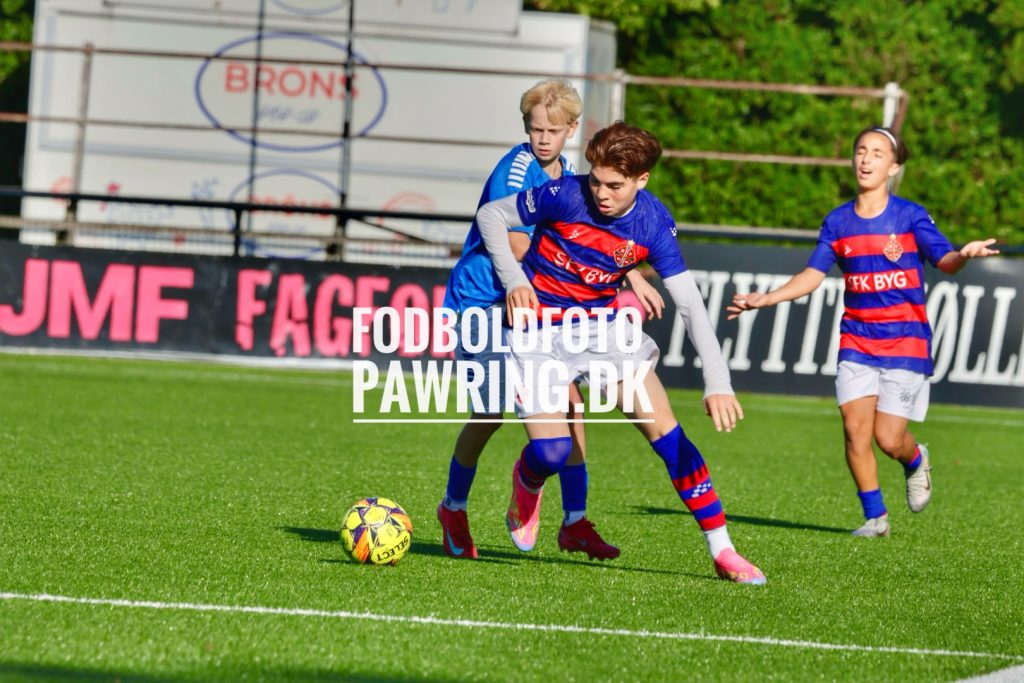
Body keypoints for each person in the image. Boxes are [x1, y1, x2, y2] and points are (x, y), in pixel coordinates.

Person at [475, 121, 766, 584]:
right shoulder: (565, 194)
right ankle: (527, 479)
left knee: (669, 436)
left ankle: (723, 549)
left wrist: (718, 381)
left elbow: (689, 304)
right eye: (596, 181)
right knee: (552, 452)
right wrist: (514, 281)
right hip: (536, 332)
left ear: (641, 180)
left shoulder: (653, 223)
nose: (601, 194)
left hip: (602, 332)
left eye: (614, 185)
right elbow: (491, 215)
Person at [727, 126, 1000, 537]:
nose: (866, 159)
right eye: (860, 151)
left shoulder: (910, 216)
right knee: (855, 432)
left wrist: (965, 253)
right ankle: (876, 518)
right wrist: (768, 298)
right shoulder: (838, 222)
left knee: (888, 440)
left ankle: (915, 460)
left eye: (877, 153)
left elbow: (945, 261)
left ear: (894, 167)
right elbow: (812, 275)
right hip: (857, 341)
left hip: (906, 342)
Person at [438, 80, 664, 560]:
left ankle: (575, 521)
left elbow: (592, 237)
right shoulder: (516, 171)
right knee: (490, 413)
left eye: (553, 130)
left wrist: (630, 274)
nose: (543, 138)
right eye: (535, 128)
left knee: (572, 403)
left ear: (572, 130)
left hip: (534, 308)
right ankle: (453, 507)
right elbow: (519, 245)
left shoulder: (572, 175)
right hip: (483, 303)